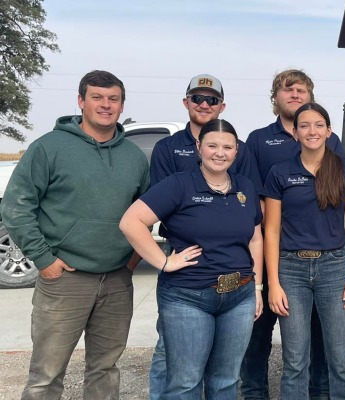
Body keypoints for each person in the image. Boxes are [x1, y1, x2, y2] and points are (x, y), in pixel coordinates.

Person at [0, 70, 150, 399]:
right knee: (46, 375)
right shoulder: (49, 148)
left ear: (122, 105)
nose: (105, 105)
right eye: (97, 97)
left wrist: (133, 259)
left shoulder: (134, 158)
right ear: (81, 101)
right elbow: (15, 206)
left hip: (115, 281)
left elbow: (146, 213)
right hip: (64, 279)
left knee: (105, 370)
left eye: (113, 99)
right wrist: (44, 259)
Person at [120, 119, 264, 399]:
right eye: (212, 145)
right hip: (189, 297)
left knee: (226, 381)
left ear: (237, 152)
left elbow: (255, 238)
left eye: (227, 147)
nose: (219, 153)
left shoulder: (245, 187)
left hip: (239, 296)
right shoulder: (179, 184)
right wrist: (163, 263)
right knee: (186, 382)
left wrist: (257, 287)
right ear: (199, 147)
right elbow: (131, 221)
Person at [243, 69, 344, 399]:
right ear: (276, 97)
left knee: (318, 337)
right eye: (288, 90)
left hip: (323, 258)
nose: (295, 94)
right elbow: (254, 196)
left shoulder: (331, 140)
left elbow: (339, 196)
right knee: (260, 333)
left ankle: (320, 393)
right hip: (274, 254)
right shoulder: (259, 139)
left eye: (302, 90)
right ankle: (255, 393)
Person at [264, 103, 345, 399]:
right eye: (304, 125)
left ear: (328, 131)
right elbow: (271, 230)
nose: (312, 131)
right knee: (295, 361)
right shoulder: (279, 173)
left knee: (341, 360)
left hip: (334, 268)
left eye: (319, 125)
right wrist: (273, 284)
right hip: (291, 270)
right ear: (294, 133)